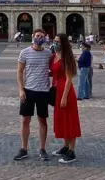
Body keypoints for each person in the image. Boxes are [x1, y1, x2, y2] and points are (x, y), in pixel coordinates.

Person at [14, 29, 54, 162]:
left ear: (45, 38)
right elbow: (19, 72)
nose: (39, 38)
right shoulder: (24, 52)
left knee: (42, 121)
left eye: (41, 36)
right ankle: (24, 148)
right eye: (37, 36)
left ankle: (42, 149)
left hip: (43, 91)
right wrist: (21, 90)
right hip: (28, 90)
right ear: (33, 37)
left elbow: (54, 69)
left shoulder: (48, 54)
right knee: (25, 120)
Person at [50, 36, 82, 164]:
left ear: (63, 43)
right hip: (57, 90)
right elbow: (54, 72)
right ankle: (65, 146)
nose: (55, 43)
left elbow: (69, 78)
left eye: (57, 41)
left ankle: (72, 151)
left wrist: (64, 97)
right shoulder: (55, 55)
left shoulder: (67, 58)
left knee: (70, 120)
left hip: (66, 92)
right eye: (54, 41)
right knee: (62, 120)